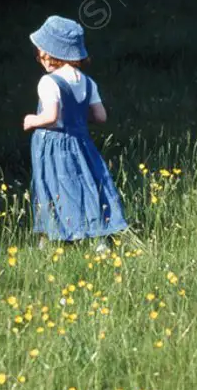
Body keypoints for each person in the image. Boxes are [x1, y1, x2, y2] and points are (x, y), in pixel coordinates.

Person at [23, 15, 127, 245]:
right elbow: (100, 116)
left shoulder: (48, 82)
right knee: (87, 183)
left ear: (49, 54)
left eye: (39, 52)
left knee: (52, 185)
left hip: (52, 144)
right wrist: (77, 117)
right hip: (81, 142)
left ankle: (51, 237)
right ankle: (99, 238)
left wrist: (32, 120)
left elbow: (50, 117)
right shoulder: (87, 81)